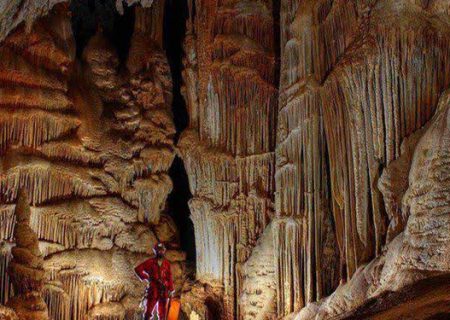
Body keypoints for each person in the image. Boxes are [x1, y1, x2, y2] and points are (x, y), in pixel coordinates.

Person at [135, 243, 174, 320]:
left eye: (162, 250)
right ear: (155, 251)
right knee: (148, 312)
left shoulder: (167, 263)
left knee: (162, 314)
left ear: (164, 251)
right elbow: (138, 269)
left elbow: (169, 276)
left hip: (164, 291)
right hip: (153, 290)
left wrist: (171, 289)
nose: (160, 252)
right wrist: (146, 277)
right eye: (158, 250)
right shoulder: (150, 262)